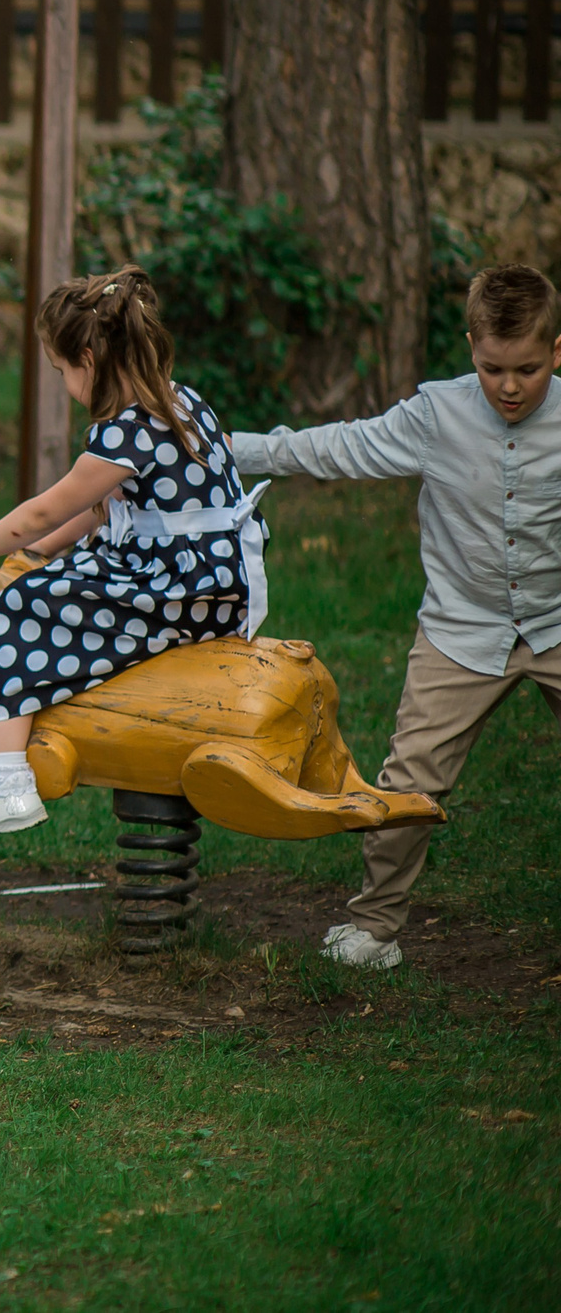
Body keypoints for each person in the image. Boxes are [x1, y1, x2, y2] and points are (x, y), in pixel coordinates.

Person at [226, 263, 561, 970]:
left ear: (557, 352)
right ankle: (375, 927)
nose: (508, 385)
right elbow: (331, 447)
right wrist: (220, 451)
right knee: (408, 780)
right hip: (461, 628)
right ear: (471, 346)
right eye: (492, 367)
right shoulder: (436, 414)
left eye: (527, 369)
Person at [0, 268, 265, 847]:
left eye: (62, 372)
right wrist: (38, 554)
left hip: (183, 595)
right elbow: (104, 508)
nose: (64, 384)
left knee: (16, 609)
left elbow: (43, 511)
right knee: (46, 580)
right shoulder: (181, 401)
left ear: (88, 356)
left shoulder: (125, 434)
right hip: (213, 581)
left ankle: (5, 785)